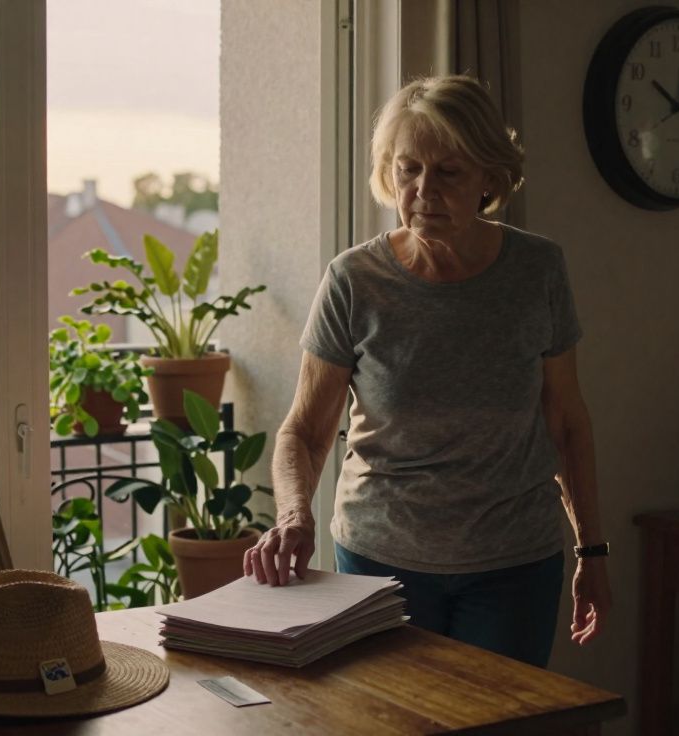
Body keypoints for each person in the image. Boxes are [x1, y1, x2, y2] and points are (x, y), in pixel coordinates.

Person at [244, 75, 612, 668]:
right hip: (379, 563)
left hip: (514, 565)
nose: (423, 190)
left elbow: (567, 422)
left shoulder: (537, 271)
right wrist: (292, 517)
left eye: (448, 172)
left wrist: (592, 551)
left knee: (503, 715)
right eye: (408, 169)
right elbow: (305, 432)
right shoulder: (354, 280)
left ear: (489, 177)